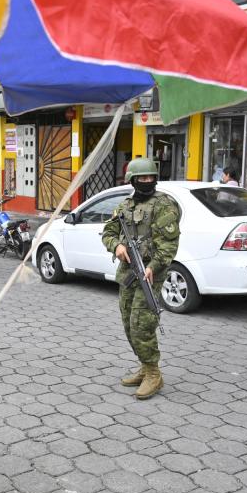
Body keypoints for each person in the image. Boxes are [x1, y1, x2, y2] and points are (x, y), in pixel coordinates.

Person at [101, 158, 181, 400]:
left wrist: (153, 267)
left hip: (150, 276)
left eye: (150, 178)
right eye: (142, 178)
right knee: (128, 323)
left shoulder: (163, 205)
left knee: (141, 325)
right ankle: (145, 367)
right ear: (132, 180)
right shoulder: (125, 206)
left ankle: (154, 374)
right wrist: (116, 246)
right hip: (128, 273)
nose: (147, 181)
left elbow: (168, 245)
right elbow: (108, 232)